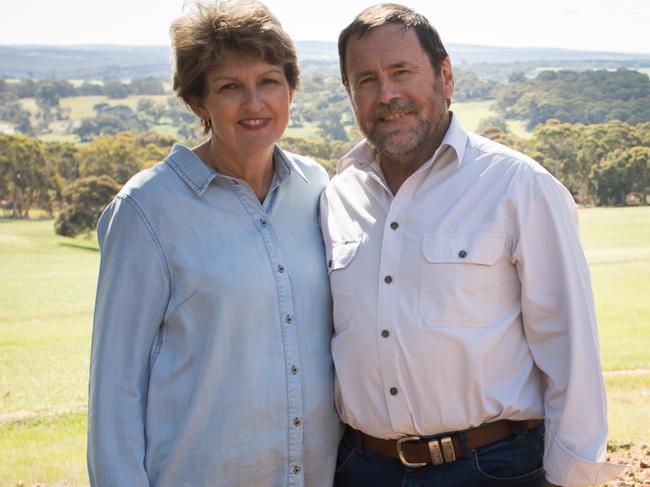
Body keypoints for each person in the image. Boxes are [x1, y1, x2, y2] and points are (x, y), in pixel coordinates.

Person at [319, 4, 627, 487]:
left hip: (492, 468)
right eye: (366, 80)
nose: (388, 94)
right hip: (363, 469)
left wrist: (573, 479)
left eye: (402, 72)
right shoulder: (336, 197)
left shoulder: (518, 185)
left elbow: (571, 348)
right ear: (350, 94)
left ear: (445, 76)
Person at [87, 1, 340, 485]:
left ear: (291, 89)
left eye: (269, 80)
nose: (254, 103)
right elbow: (115, 390)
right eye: (229, 87)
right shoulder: (146, 210)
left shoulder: (315, 187)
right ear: (199, 102)